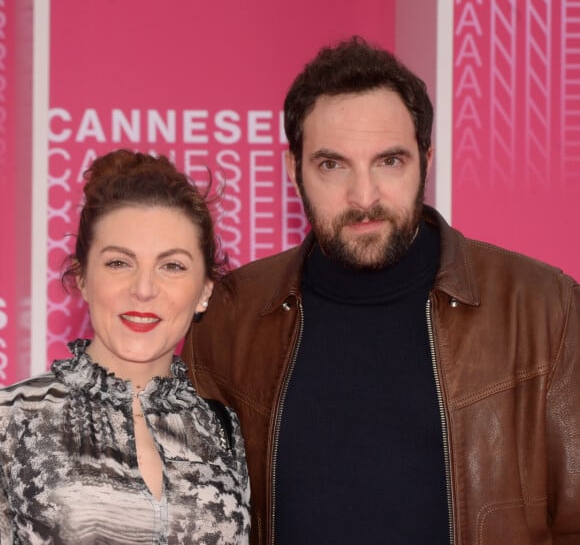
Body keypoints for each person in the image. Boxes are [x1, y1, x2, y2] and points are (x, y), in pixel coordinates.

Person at [183, 36, 580, 544]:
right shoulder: (229, 318)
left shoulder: (544, 308)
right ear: (293, 170)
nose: (364, 196)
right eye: (333, 165)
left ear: (426, 160)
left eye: (389, 161)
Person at [0, 150, 250, 544]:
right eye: (119, 263)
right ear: (82, 278)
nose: (144, 289)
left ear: (205, 291)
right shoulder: (12, 420)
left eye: (172, 266)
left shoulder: (226, 431)